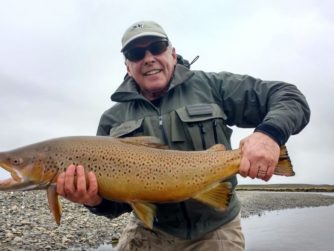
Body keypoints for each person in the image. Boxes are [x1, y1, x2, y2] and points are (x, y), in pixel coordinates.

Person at [56, 20, 310, 250]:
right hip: (151, 230)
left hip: (215, 227)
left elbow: (289, 96)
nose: (148, 58)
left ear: (172, 53)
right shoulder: (113, 120)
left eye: (157, 47)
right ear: (127, 66)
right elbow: (117, 205)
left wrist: (269, 135)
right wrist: (95, 201)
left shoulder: (213, 87)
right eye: (136, 53)